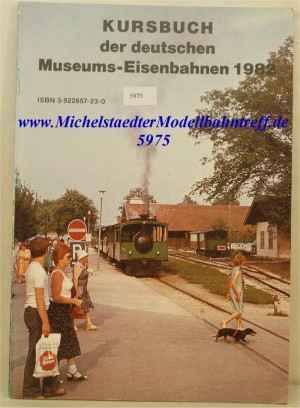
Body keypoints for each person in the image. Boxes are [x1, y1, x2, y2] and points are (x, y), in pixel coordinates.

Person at [23, 236, 66, 399]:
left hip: (35, 311)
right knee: (35, 352)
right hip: (37, 313)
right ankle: (30, 391)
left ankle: (50, 386)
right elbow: (40, 299)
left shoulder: (32, 267)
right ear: (46, 252)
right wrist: (46, 322)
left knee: (48, 349)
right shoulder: (39, 272)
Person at [48, 243, 88, 381]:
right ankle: (52, 377)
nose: (70, 259)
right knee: (59, 343)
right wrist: (74, 301)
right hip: (58, 311)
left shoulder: (61, 271)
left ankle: (72, 370)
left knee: (69, 339)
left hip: (63, 311)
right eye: (68, 257)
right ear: (59, 258)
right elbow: (56, 296)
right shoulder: (57, 274)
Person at [73, 250, 96, 331]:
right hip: (80, 288)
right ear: (82, 257)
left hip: (83, 288)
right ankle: (73, 325)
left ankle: (88, 323)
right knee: (76, 306)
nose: (87, 258)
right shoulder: (77, 267)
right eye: (86, 257)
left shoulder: (82, 265)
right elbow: (75, 279)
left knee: (86, 304)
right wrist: (76, 292)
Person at [221, 254, 246, 330]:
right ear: (240, 263)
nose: (244, 264)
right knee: (239, 311)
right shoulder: (237, 271)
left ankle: (239, 327)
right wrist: (237, 294)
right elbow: (233, 283)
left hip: (235, 292)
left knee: (237, 309)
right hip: (236, 292)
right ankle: (225, 321)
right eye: (244, 263)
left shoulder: (234, 269)